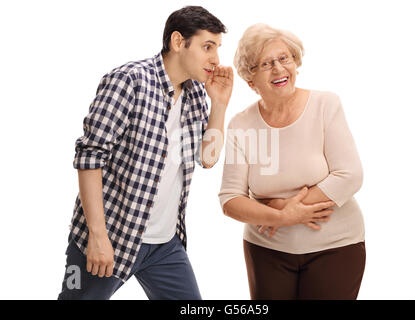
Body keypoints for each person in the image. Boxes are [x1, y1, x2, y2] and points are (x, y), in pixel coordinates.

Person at [58, 6, 233, 300]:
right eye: (207, 46)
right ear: (178, 42)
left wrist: (219, 105)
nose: (215, 59)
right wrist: (98, 236)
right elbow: (90, 157)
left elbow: (208, 158)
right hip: (112, 236)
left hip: (165, 245)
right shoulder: (129, 80)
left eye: (217, 48)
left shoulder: (196, 94)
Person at [218, 23, 365, 300]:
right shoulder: (241, 125)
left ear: (295, 63)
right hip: (267, 252)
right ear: (251, 81)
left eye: (284, 58)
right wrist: (281, 217)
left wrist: (285, 208)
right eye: (265, 64)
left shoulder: (325, 105)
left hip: (336, 247)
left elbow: (350, 175)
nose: (278, 69)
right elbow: (230, 199)